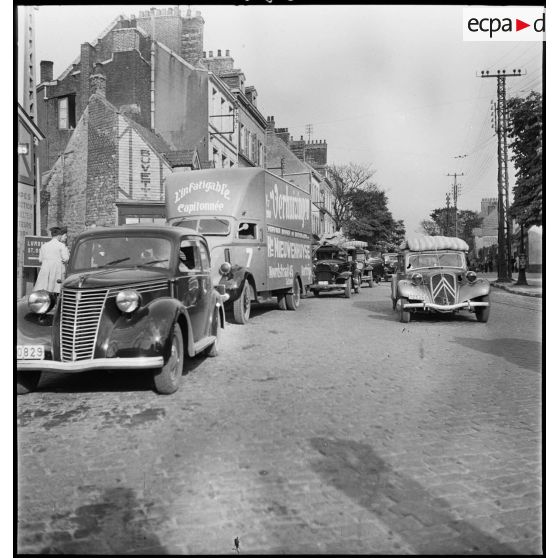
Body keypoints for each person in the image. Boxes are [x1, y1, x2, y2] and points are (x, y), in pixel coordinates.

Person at [34, 226, 70, 296]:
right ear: (59, 235)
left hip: (45, 270)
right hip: (57, 270)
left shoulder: (44, 246)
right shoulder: (61, 245)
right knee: (57, 290)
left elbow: (40, 260)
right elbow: (66, 258)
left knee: (45, 290)